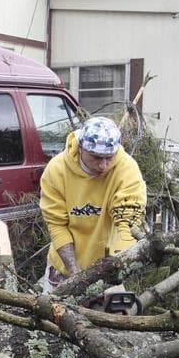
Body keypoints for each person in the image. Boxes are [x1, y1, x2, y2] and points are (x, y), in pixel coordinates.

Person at [39, 116, 147, 294]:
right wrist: (74, 272)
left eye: (109, 158)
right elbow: (57, 225)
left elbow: (128, 222)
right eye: (96, 158)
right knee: (52, 317)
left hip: (108, 266)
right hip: (64, 267)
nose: (103, 166)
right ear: (81, 148)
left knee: (113, 318)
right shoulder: (56, 170)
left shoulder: (126, 169)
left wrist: (116, 269)